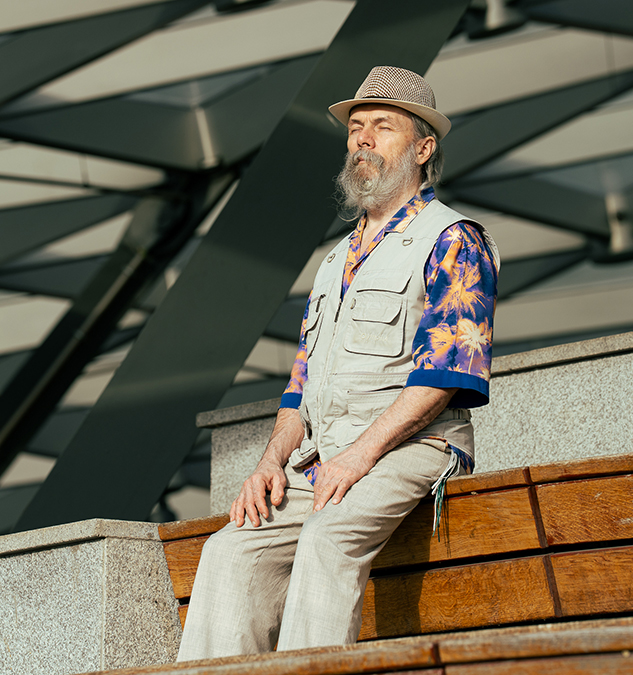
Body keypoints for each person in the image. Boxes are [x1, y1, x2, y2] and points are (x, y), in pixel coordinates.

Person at [176, 65, 499, 660]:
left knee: (326, 539)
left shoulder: (454, 239)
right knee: (229, 549)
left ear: (424, 149)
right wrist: (270, 462)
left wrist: (358, 456)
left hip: (414, 448)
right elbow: (300, 387)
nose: (363, 140)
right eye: (356, 128)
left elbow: (445, 376)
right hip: (325, 458)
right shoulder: (333, 261)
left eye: (383, 126)